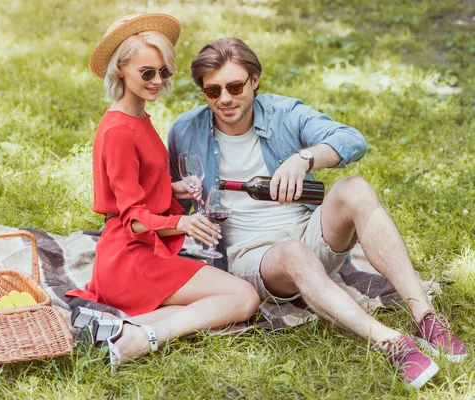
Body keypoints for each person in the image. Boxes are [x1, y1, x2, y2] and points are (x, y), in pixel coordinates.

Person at [167, 37, 467, 389]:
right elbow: (169, 197)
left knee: (354, 187)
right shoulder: (185, 130)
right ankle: (389, 342)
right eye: (213, 91)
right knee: (294, 253)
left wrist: (304, 157)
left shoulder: (283, 113)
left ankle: (424, 316)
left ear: (255, 80)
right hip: (252, 257)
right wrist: (176, 194)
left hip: (308, 231)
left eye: (234, 86)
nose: (225, 99)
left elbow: (352, 139)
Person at [65, 17, 260, 372]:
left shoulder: (136, 117)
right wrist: (184, 223)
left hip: (134, 253)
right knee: (243, 296)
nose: (158, 81)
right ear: (120, 70)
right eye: (147, 73)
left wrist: (171, 188)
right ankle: (146, 337)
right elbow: (134, 220)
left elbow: (131, 187)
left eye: (163, 72)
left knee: (229, 297)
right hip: (130, 259)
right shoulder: (120, 131)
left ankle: (126, 328)